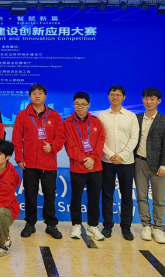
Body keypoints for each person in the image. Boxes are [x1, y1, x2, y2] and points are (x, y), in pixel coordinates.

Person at [12, 84, 66, 240]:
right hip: (29, 163)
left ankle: (51, 225)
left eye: (40, 93)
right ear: (30, 96)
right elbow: (17, 138)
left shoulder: (54, 116)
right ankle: (30, 224)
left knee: (50, 195)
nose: (37, 95)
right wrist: (19, 158)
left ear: (45, 96)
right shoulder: (23, 115)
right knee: (30, 195)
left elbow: (61, 137)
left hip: (48, 163)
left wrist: (52, 147)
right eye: (34, 93)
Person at [98, 85, 140, 241]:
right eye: (111, 94)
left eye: (117, 95)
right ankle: (107, 226)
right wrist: (110, 154)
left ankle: (126, 227)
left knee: (127, 196)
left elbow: (134, 138)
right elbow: (99, 138)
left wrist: (122, 155)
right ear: (108, 96)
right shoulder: (102, 115)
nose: (114, 97)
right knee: (107, 194)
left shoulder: (131, 116)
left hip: (126, 162)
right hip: (106, 161)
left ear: (124, 97)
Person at [135, 88, 165, 245]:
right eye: (146, 98)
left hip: (158, 166)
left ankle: (158, 227)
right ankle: (146, 226)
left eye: (152, 99)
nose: (149, 102)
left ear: (159, 101)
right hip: (139, 163)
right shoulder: (136, 119)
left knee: (159, 199)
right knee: (141, 197)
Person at [63, 92, 106, 241]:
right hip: (78, 167)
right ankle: (76, 225)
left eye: (83, 104)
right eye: (77, 104)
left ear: (89, 105)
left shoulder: (96, 122)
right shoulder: (67, 122)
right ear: (73, 104)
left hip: (95, 167)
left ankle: (93, 226)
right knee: (76, 197)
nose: (79, 107)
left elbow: (100, 141)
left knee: (94, 198)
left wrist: (93, 158)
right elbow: (70, 145)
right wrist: (83, 159)